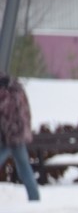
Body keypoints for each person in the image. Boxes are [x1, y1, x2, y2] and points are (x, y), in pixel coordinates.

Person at [0, 72, 40, 201]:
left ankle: (34, 198)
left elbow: (5, 115)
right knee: (24, 167)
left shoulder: (4, 94)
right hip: (19, 134)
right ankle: (34, 198)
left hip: (8, 137)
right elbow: (26, 112)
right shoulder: (18, 90)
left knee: (23, 167)